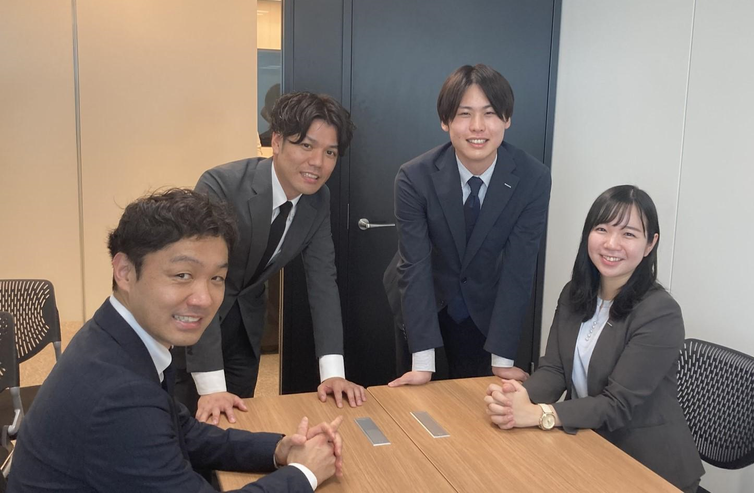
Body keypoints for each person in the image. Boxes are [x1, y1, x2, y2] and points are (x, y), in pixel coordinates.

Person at [8, 189, 343, 492]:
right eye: (182, 275)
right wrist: (305, 473)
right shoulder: (119, 396)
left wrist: (278, 449)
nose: (204, 299)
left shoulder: (117, 334)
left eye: (217, 278)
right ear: (124, 272)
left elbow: (181, 429)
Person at [484, 185, 704, 493]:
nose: (611, 243)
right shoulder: (574, 294)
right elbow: (555, 370)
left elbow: (617, 405)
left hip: (645, 465)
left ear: (650, 244)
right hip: (586, 443)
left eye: (628, 234)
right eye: (602, 229)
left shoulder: (660, 313)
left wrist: (541, 414)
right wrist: (515, 399)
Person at [175, 92, 366, 426]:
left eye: (330, 152)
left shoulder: (318, 200)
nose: (318, 162)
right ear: (277, 141)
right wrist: (212, 386)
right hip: (194, 324)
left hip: (246, 327)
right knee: (184, 421)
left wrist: (333, 372)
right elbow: (197, 280)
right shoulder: (221, 185)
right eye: (306, 146)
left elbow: (323, 281)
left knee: (239, 424)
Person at [384, 64, 552, 386]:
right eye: (464, 114)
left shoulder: (533, 178)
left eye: (489, 113)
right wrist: (423, 363)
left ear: (506, 118)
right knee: (419, 393)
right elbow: (415, 266)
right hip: (422, 297)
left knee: (475, 397)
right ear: (445, 121)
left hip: (484, 303)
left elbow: (519, 268)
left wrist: (502, 359)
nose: (477, 126)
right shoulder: (414, 177)